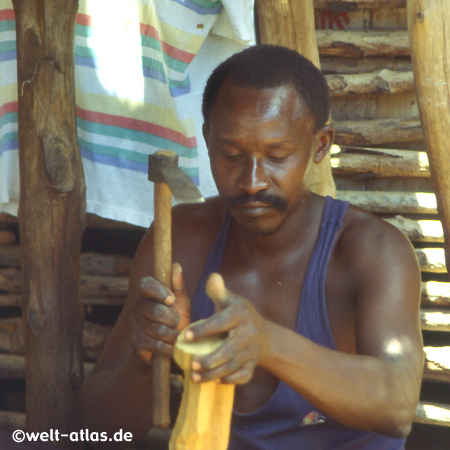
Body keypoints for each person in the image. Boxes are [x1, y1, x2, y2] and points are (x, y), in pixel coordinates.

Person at [79, 45, 424, 449]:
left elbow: (399, 407)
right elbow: (95, 430)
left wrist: (267, 342)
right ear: (207, 139)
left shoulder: (372, 252)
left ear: (320, 145)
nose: (252, 181)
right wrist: (144, 358)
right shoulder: (183, 241)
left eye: (277, 155)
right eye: (231, 155)